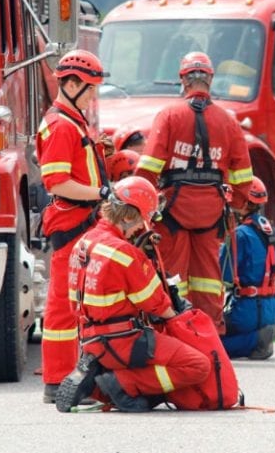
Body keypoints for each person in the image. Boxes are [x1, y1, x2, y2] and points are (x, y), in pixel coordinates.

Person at [56, 176, 210, 413]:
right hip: (125, 341)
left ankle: (99, 377)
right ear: (128, 216)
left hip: (89, 341)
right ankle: (122, 383)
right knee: (198, 365)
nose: (141, 228)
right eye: (141, 221)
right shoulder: (125, 254)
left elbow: (75, 300)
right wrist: (181, 321)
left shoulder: (83, 244)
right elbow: (157, 305)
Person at [135, 51, 253, 334]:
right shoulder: (227, 120)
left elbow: (149, 167)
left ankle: (175, 332)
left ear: (183, 81)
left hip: (172, 211)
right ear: (209, 80)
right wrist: (234, 203)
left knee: (173, 275)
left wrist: (140, 209)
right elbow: (243, 174)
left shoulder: (169, 116)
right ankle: (210, 334)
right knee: (209, 278)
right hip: (212, 212)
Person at [36, 49, 112, 404]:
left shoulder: (72, 120)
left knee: (74, 303)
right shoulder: (62, 126)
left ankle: (68, 379)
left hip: (81, 221)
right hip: (72, 222)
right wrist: (101, 192)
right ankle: (57, 382)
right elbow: (57, 183)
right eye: (90, 87)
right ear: (70, 83)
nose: (94, 94)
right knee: (64, 307)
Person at [220, 176, 275, 360]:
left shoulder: (239, 235)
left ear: (244, 202)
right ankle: (260, 336)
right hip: (272, 308)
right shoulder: (274, 233)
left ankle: (255, 340)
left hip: (247, 311)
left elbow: (224, 275)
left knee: (211, 345)